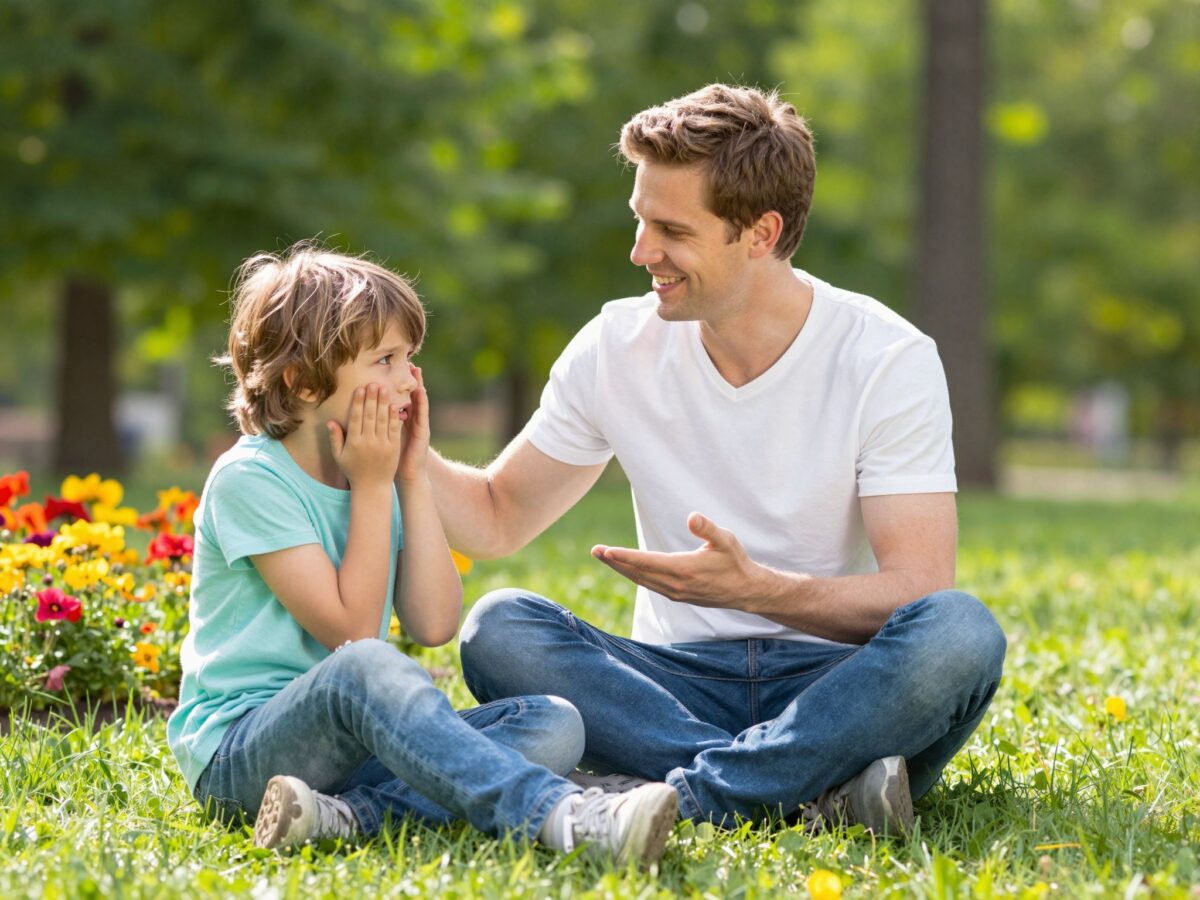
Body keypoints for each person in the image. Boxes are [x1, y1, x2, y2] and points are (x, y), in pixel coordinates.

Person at [430, 84, 1007, 833]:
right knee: (500, 627)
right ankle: (817, 790)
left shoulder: (886, 358)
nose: (641, 252)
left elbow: (919, 588)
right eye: (640, 220)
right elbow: (496, 518)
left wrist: (756, 591)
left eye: (670, 229)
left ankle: (682, 797)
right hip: (670, 685)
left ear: (760, 233)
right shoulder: (615, 346)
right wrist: (403, 449)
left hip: (834, 683)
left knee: (958, 635)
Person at [166, 245, 678, 865]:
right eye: (384, 360)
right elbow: (354, 636)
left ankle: (345, 816)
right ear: (301, 381)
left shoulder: (377, 476)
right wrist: (378, 485)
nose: (409, 379)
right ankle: (562, 818)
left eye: (410, 358)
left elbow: (433, 623)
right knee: (365, 666)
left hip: (349, 756)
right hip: (242, 757)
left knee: (553, 724)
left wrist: (409, 478)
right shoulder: (250, 480)